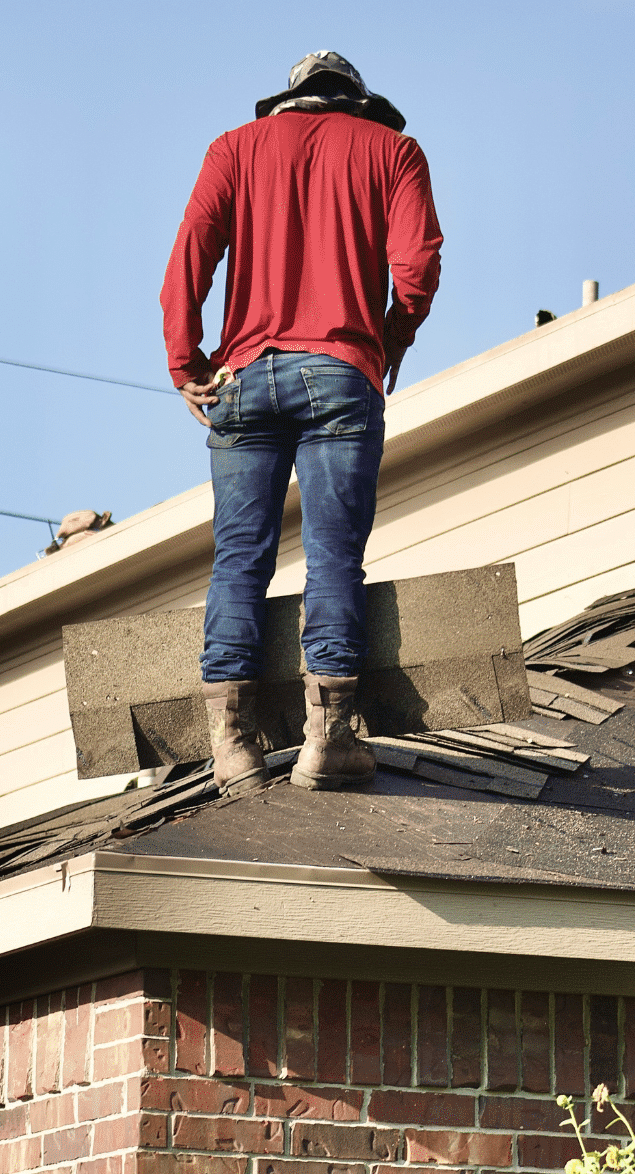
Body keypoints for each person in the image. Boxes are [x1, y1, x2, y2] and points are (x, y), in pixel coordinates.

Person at [161, 51, 442, 794]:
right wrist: (387, 340)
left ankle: (231, 745)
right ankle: (330, 739)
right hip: (341, 372)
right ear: (356, 101)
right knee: (333, 556)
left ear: (287, 101)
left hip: (244, 378)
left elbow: (190, 254)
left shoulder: (233, 148)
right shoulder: (394, 150)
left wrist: (185, 364)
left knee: (238, 559)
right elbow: (416, 268)